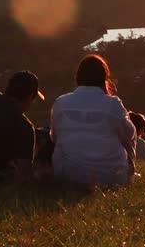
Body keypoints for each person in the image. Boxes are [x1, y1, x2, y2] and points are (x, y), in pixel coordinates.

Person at [50, 54, 136, 188]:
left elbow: (54, 137)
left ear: (78, 77)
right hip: (111, 177)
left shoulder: (61, 103)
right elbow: (129, 136)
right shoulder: (113, 104)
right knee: (129, 130)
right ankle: (130, 172)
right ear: (104, 78)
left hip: (67, 175)